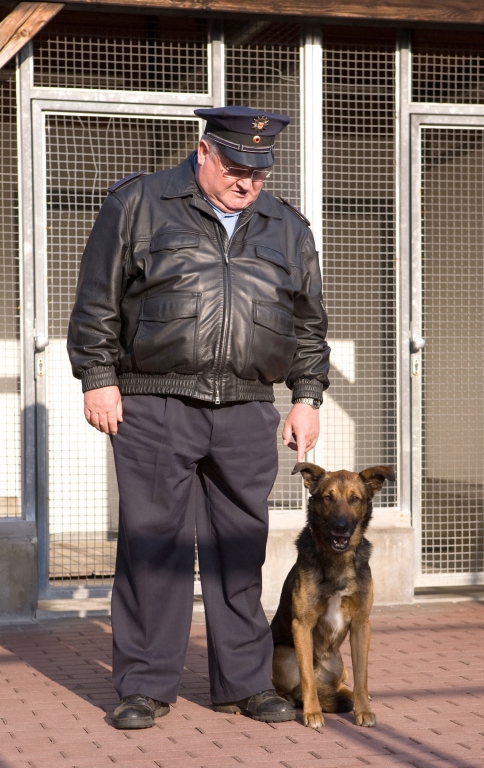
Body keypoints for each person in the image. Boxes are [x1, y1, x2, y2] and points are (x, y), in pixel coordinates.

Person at [67, 106, 330, 729]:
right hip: (155, 401)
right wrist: (99, 380)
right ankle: (143, 686)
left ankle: (242, 683)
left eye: (259, 173)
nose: (247, 183)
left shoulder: (286, 226)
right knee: (152, 546)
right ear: (203, 151)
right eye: (236, 168)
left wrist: (307, 397)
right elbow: (96, 300)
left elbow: (309, 322)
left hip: (244, 409)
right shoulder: (140, 203)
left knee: (239, 550)